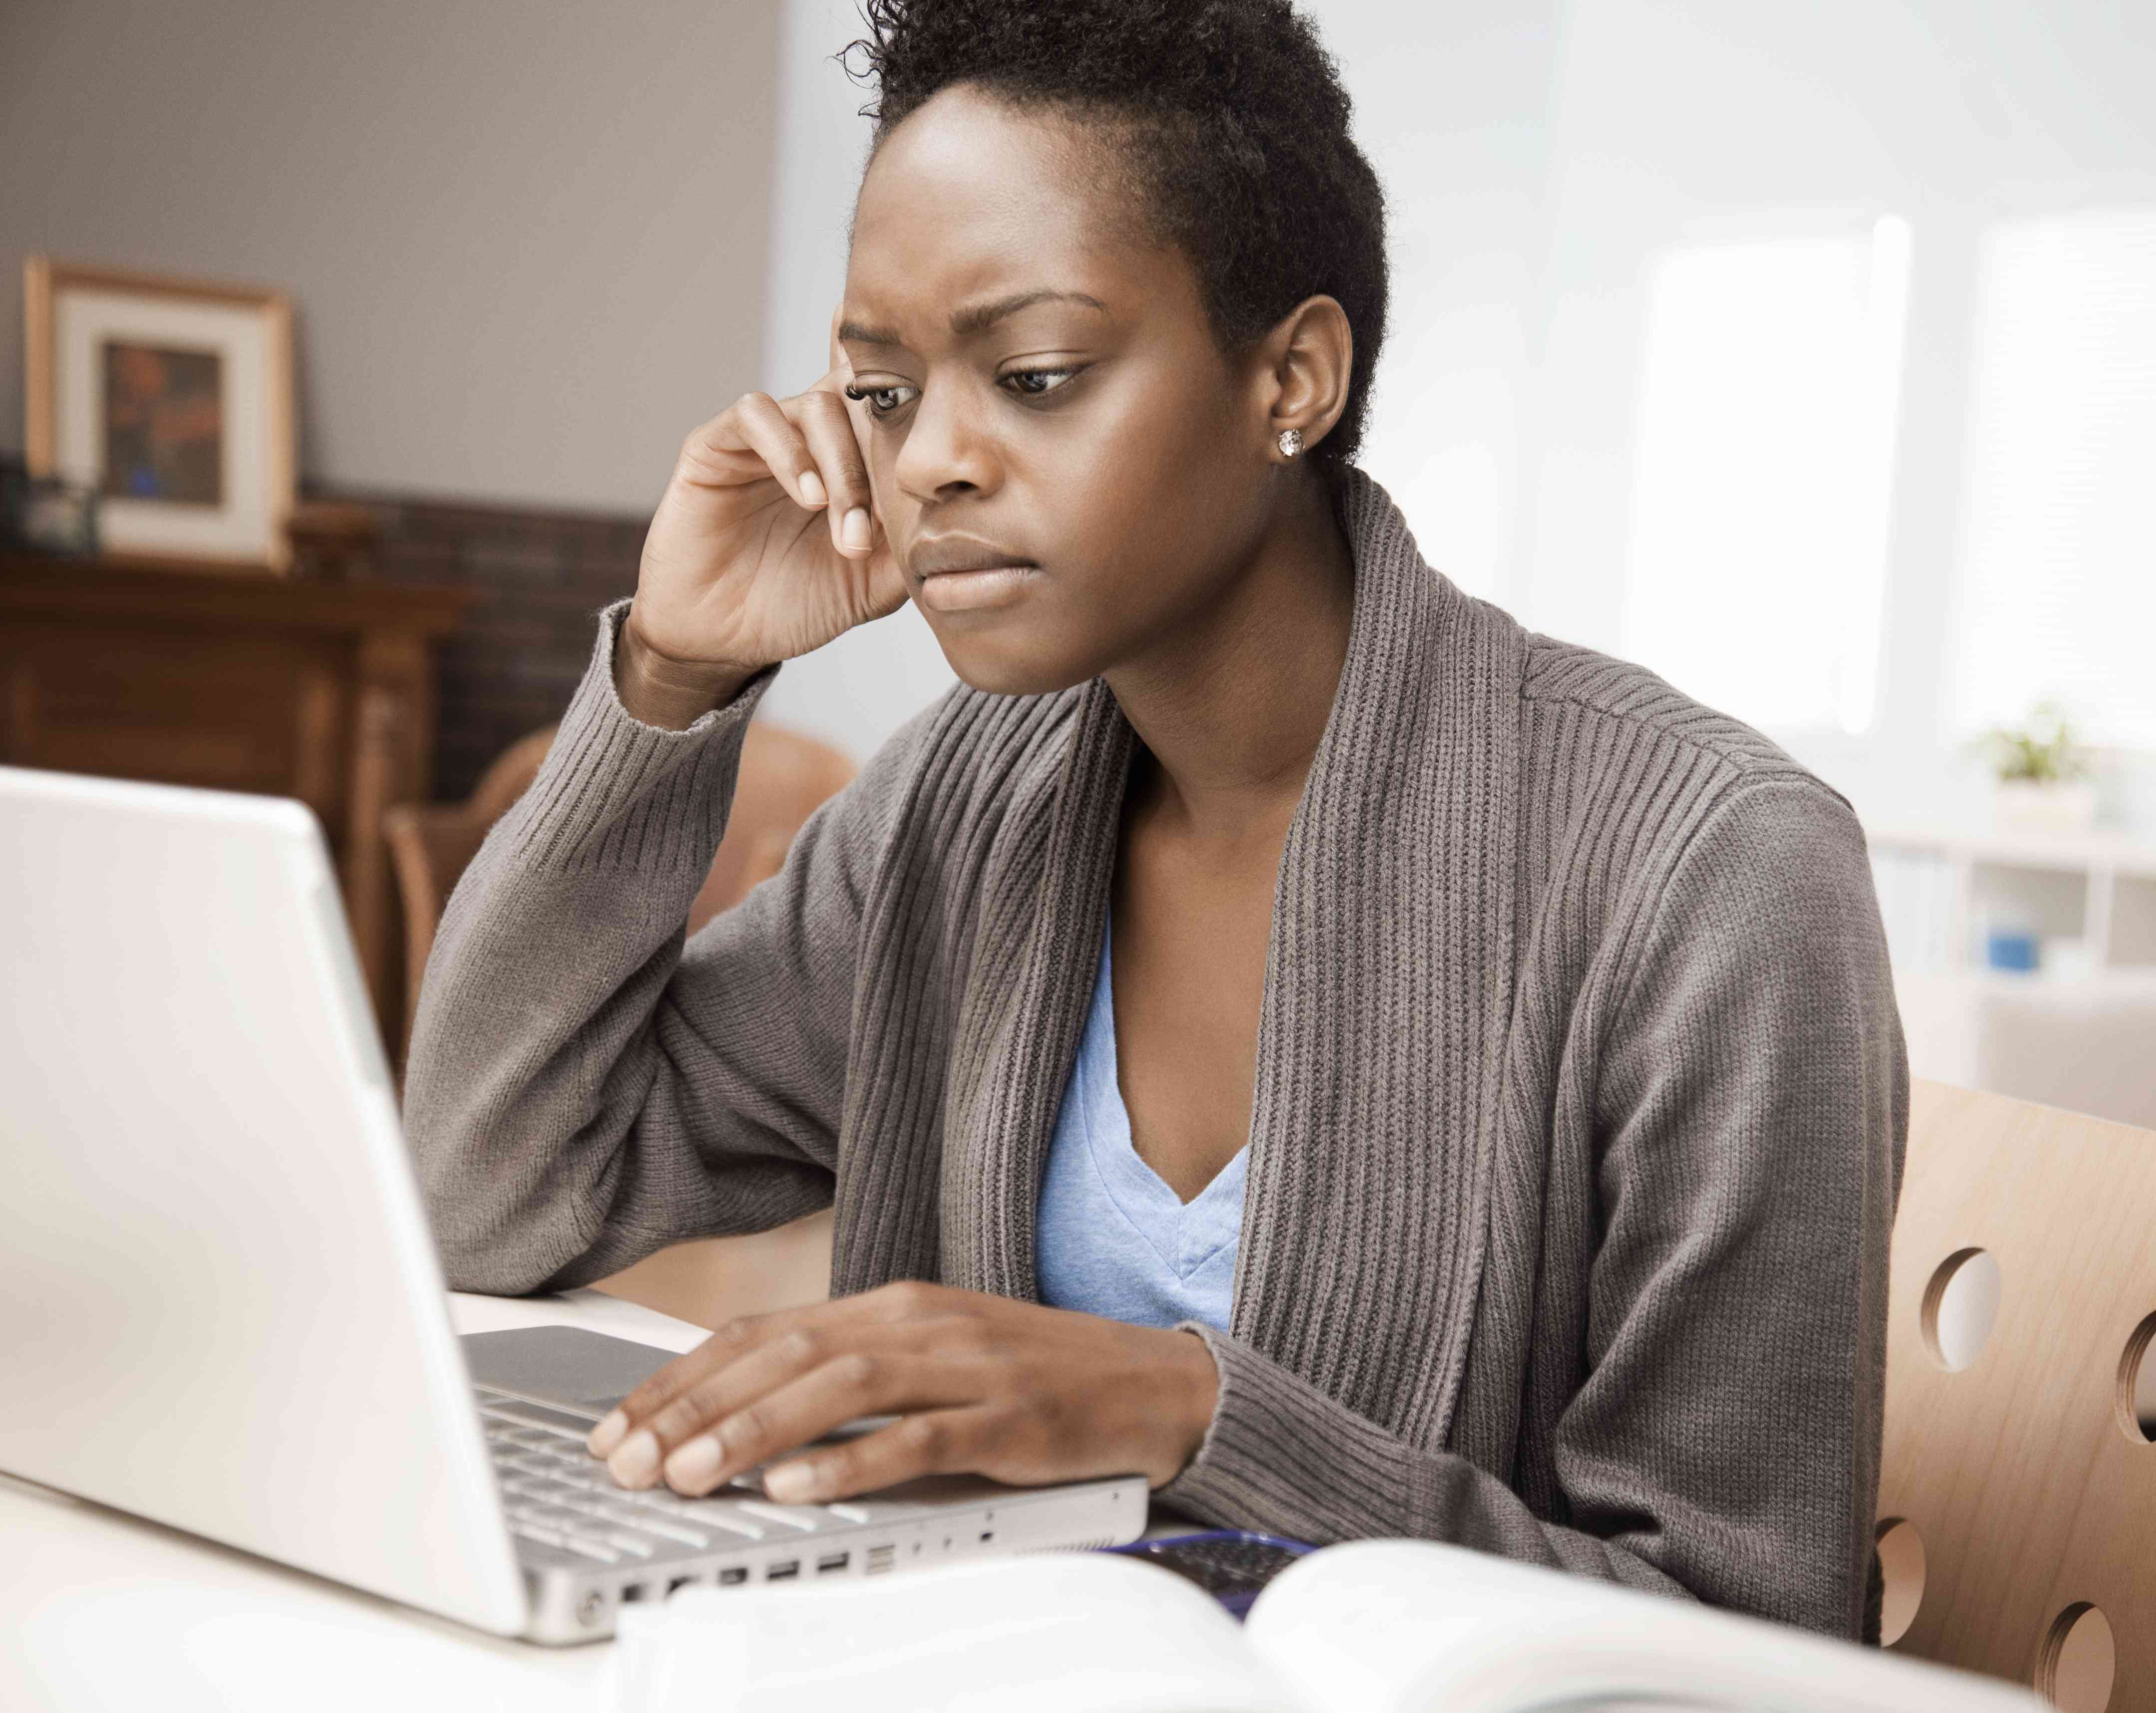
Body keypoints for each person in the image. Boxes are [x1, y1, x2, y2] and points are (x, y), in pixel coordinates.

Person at [403, 0, 1906, 1641]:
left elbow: (1749, 1634)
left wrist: (1187, 1418)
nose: (934, 467)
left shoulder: (1710, 872)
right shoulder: (953, 812)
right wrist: (674, 672)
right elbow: (495, 1194)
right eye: (884, 393)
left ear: (1295, 377)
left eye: (1036, 375)